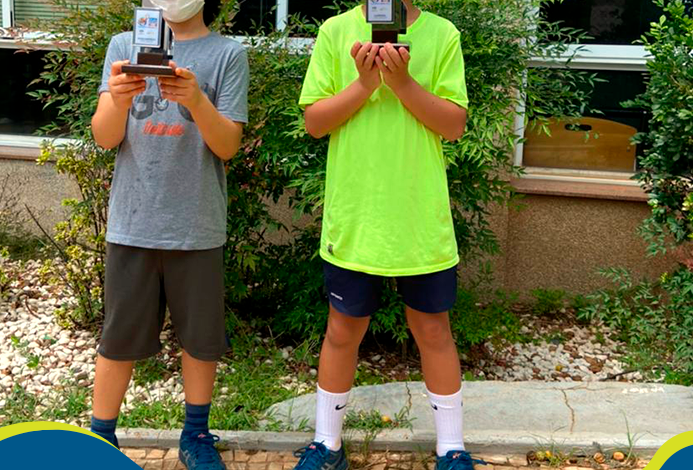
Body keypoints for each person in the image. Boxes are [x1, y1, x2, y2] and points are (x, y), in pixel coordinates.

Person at [293, 1, 477, 469]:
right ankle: (327, 444)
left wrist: (402, 83)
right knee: (341, 329)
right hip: (356, 217)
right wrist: (364, 83)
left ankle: (452, 448)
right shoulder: (336, 31)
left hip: (419, 218)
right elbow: (315, 122)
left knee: (433, 329)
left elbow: (454, 125)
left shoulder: (442, 33)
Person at [89, 1, 248, 469]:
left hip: (197, 225)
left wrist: (196, 100)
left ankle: (195, 435)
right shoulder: (124, 46)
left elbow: (228, 146)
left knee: (200, 340)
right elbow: (104, 137)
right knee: (117, 339)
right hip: (132, 223)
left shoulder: (227, 54)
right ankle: (100, 440)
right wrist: (118, 99)